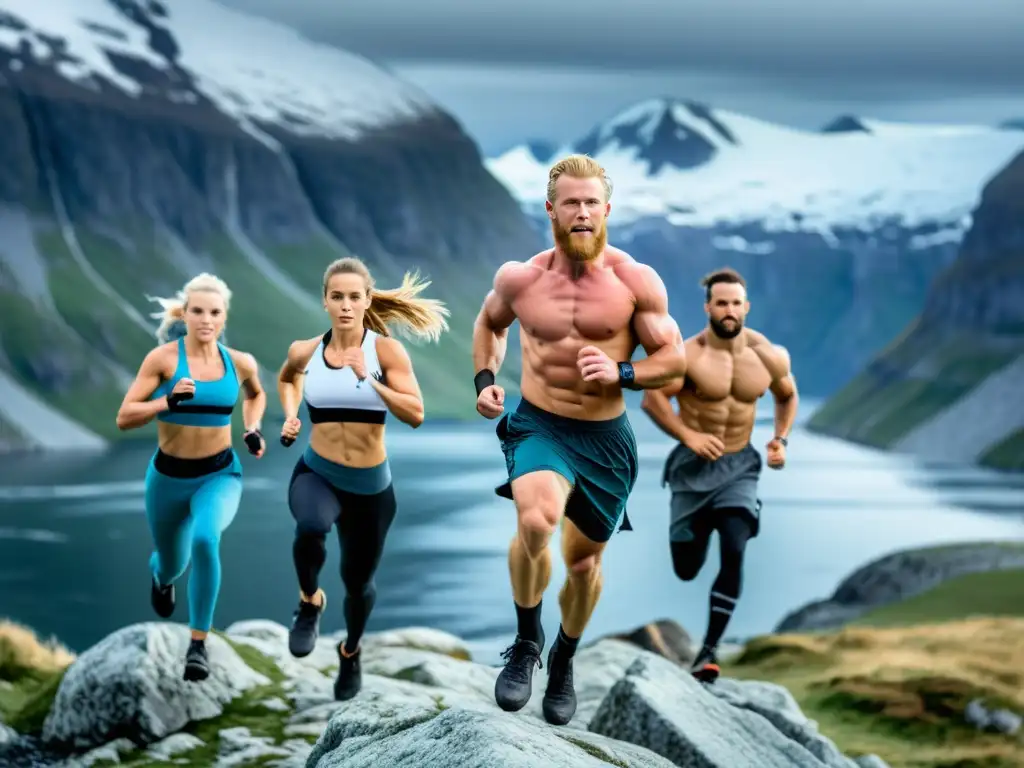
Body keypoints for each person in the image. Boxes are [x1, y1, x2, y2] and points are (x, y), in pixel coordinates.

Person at [472, 154, 687, 726]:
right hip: (540, 424)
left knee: (585, 565)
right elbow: (489, 324)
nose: (583, 211)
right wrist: (486, 380)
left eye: (592, 202)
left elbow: (674, 359)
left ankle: (564, 658)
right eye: (571, 202)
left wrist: (623, 373)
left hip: (606, 439)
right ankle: (526, 643)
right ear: (551, 209)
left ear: (607, 209)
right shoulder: (519, 279)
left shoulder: (635, 281)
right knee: (536, 521)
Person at [277, 257, 448, 701]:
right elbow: (287, 378)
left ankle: (350, 652)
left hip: (371, 489)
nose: (347, 305)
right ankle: (309, 602)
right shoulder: (305, 350)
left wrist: (368, 379)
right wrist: (291, 416)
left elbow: (415, 414)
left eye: (355, 297)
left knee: (359, 586)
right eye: (338, 297)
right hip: (318, 472)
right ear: (325, 301)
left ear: (367, 300)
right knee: (310, 528)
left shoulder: (386, 352)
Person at [640, 267, 798, 683]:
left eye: (735, 303)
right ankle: (697, 526)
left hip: (739, 466)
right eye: (721, 303)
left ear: (746, 307)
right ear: (708, 307)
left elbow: (788, 395)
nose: (729, 310)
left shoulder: (767, 355)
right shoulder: (688, 355)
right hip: (693, 469)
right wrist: (687, 434)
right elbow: (652, 399)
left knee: (735, 544)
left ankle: (708, 652)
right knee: (686, 568)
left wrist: (780, 439)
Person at [115, 273, 267, 682]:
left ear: (223, 317)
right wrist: (166, 400)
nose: (205, 319)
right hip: (166, 480)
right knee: (172, 562)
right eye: (197, 311)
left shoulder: (241, 362)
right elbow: (124, 416)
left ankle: (198, 644)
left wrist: (251, 429)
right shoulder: (163, 360)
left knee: (205, 538)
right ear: (184, 313)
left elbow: (255, 394)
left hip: (219, 475)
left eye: (214, 312)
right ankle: (160, 577)